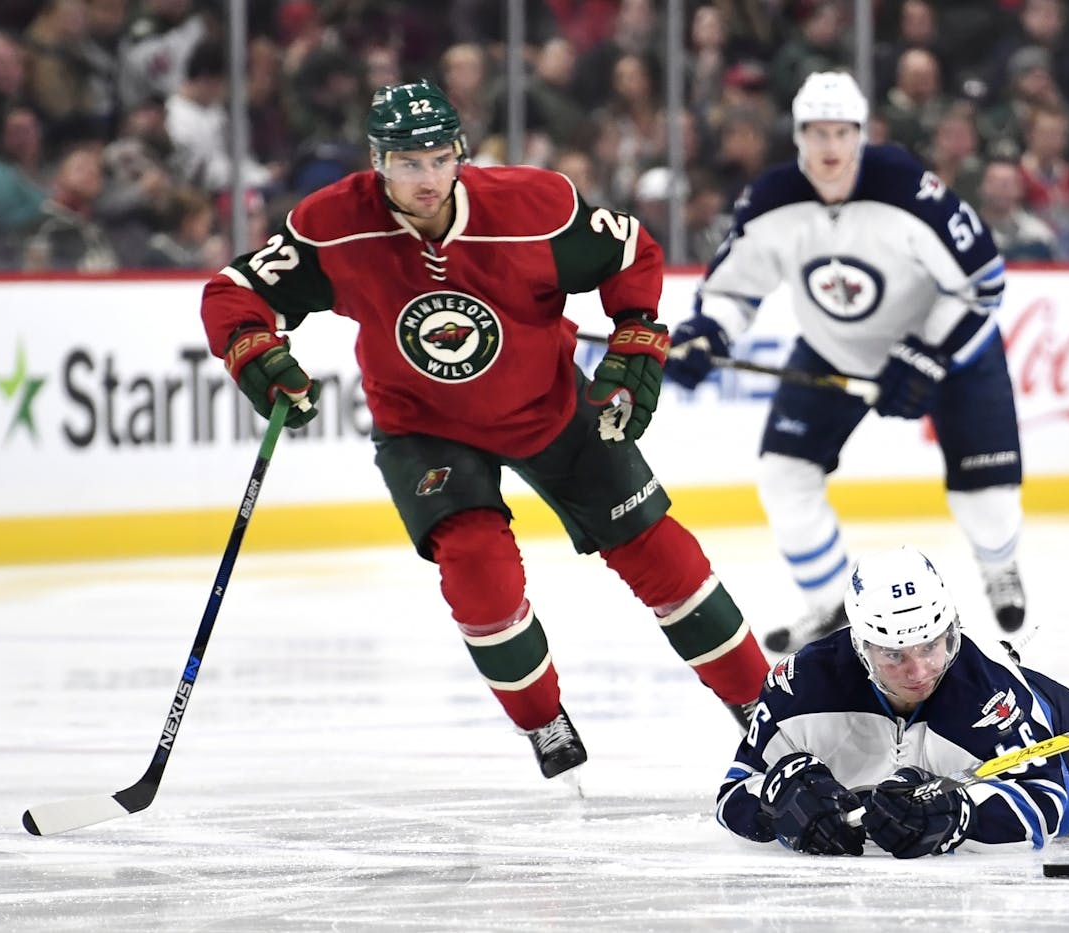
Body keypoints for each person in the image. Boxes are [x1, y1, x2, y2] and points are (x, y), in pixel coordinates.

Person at [199, 79, 770, 781]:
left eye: (440, 159)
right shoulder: (333, 225)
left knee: (661, 553)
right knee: (477, 570)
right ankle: (541, 718)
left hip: (551, 405)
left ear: (461, 153)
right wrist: (251, 347)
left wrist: (636, 334)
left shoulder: (536, 208)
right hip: (423, 426)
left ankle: (760, 704)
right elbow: (235, 291)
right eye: (408, 163)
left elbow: (630, 252)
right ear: (377, 161)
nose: (427, 178)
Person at [667, 71, 1026, 651]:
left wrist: (928, 353)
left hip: (946, 348)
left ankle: (999, 566)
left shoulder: (909, 190)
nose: (829, 148)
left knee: (984, 488)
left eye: (841, 132)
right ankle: (831, 605)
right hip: (832, 352)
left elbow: (982, 284)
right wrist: (708, 333)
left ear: (861, 135)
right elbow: (734, 290)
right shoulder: (771, 202)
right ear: (798, 137)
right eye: (816, 133)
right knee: (786, 475)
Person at [715, 544, 1069, 858]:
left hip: (1063, 747)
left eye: (932, 645)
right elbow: (733, 791)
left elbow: (1054, 806)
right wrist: (773, 807)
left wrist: (963, 815)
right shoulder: (800, 684)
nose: (918, 672)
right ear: (861, 647)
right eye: (895, 655)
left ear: (952, 629)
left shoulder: (988, 694)